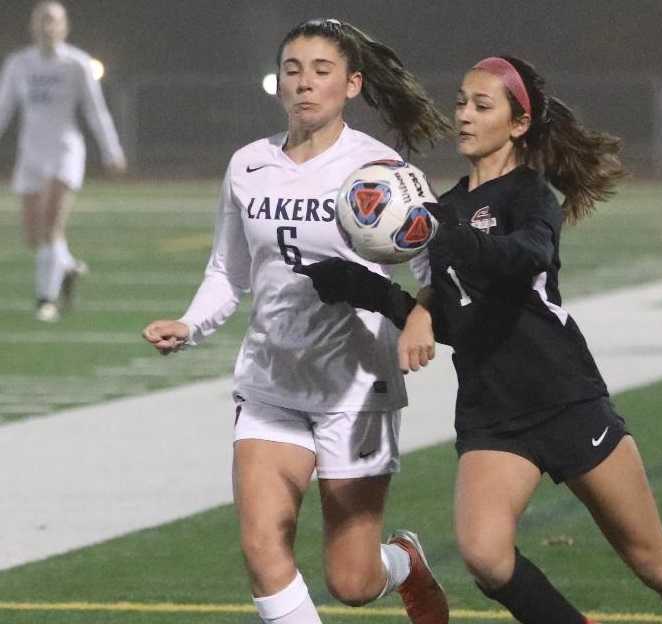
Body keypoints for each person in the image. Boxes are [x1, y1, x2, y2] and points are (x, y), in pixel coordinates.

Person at [296, 55, 662, 624]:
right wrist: (364, 287)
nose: (464, 116)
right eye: (460, 102)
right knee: (486, 556)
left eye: (482, 106)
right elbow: (460, 320)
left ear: (519, 123)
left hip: (565, 399)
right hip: (492, 413)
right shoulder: (443, 208)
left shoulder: (530, 198)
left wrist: (449, 235)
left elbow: (527, 256)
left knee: (656, 564)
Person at [142, 19, 452, 624]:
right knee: (263, 550)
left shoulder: (379, 168)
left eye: (321, 70)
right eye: (292, 69)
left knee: (353, 581)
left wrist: (422, 315)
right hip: (270, 383)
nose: (304, 83)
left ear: (352, 84)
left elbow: (433, 266)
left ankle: (404, 562)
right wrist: (190, 325)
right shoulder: (247, 166)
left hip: (356, 387)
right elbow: (228, 274)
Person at [0, 1, 127, 322]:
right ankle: (67, 266)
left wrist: (111, 150)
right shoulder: (19, 64)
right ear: (33, 26)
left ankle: (45, 300)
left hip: (65, 151)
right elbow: (4, 108)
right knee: (33, 235)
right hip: (31, 152)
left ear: (65, 26)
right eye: (42, 20)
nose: (48, 27)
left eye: (54, 21)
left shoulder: (77, 63)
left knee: (52, 225)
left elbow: (95, 111)